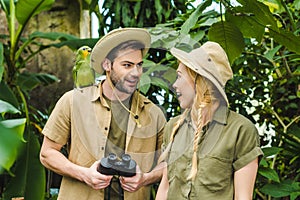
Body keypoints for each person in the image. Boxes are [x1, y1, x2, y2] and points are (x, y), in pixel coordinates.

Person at [40, 28, 166, 200]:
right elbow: (47, 153)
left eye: (139, 65)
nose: (136, 73)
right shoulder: (72, 101)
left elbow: (167, 163)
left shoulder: (154, 113)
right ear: (107, 65)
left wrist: (145, 179)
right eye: (127, 65)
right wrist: (84, 174)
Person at [155, 41, 263, 200]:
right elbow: (164, 189)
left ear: (200, 81)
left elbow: (243, 197)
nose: (175, 85)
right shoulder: (173, 127)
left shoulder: (241, 130)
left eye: (179, 76)